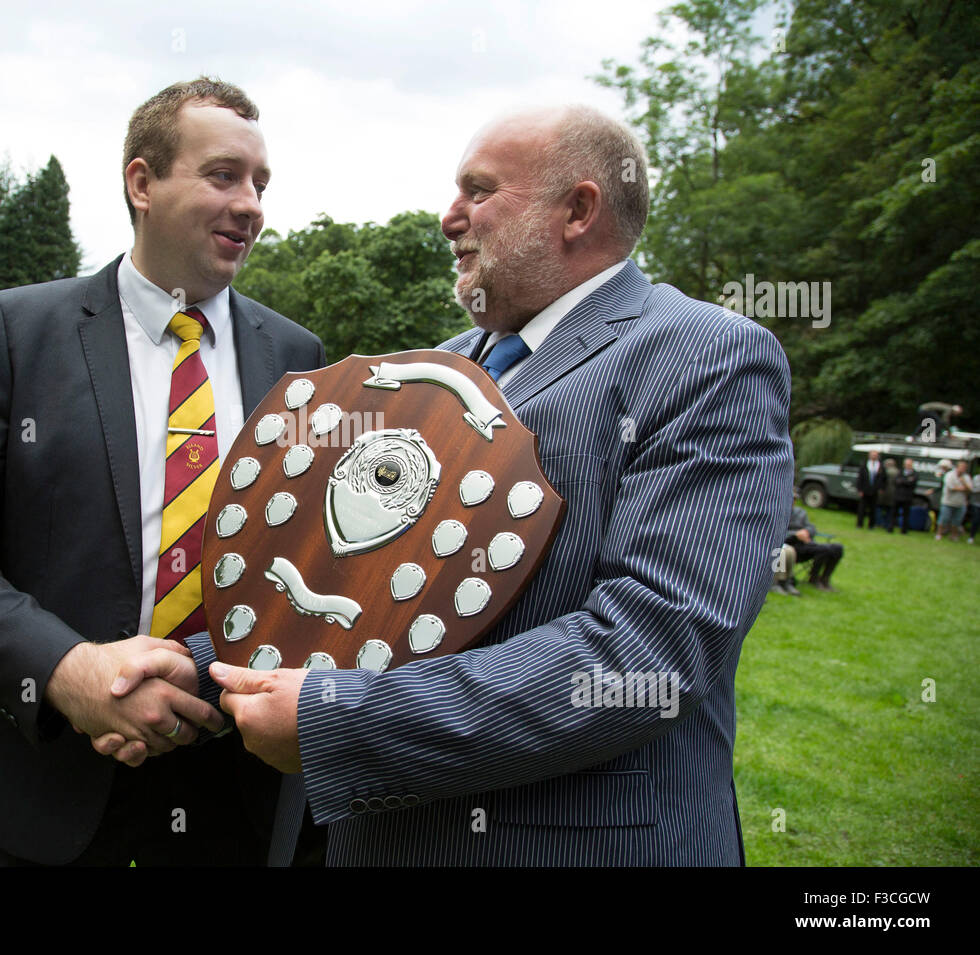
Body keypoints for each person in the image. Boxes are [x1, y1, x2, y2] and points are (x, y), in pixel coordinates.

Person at [174, 104, 793, 866]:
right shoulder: (436, 364)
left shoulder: (709, 355)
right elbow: (356, 585)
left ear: (578, 209)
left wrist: (341, 722)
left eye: (478, 190)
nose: (448, 217)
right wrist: (198, 666)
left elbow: (649, 650)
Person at [0, 77, 326, 867]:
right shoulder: (21, 331)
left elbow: (304, 560)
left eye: (261, 183)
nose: (253, 203)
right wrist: (64, 670)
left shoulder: (297, 360)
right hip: (49, 789)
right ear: (142, 182)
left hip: (236, 795)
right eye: (224, 175)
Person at [786, 504, 843, 590]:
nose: (792, 501)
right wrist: (795, 535)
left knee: (838, 547)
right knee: (823, 550)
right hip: (791, 546)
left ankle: (824, 579)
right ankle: (813, 578)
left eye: (794, 499)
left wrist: (806, 531)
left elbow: (811, 527)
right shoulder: (781, 512)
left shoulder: (800, 512)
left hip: (808, 543)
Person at [936, 460, 972, 541]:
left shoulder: (966, 477)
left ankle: (954, 536)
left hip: (960, 503)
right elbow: (951, 487)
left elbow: (970, 489)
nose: (963, 469)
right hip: (948, 502)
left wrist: (963, 482)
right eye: (962, 467)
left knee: (957, 521)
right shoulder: (950, 475)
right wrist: (964, 488)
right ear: (957, 467)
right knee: (944, 519)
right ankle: (938, 534)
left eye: (965, 467)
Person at [855, 449, 884, 528]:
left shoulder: (880, 466)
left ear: (877, 456)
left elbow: (883, 478)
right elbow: (860, 477)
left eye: (875, 455)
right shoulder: (865, 464)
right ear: (869, 456)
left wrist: (881, 488)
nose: (874, 456)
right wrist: (859, 489)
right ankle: (859, 524)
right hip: (865, 489)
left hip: (874, 490)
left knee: (873, 509)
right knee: (862, 508)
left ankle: (871, 525)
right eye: (872, 455)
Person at [890, 457, 918, 533]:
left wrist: (903, 481)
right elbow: (896, 481)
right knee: (893, 513)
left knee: (906, 515)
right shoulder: (900, 472)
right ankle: (890, 528)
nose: (908, 466)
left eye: (909, 464)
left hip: (907, 497)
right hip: (897, 496)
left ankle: (904, 530)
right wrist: (906, 480)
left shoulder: (915, 473)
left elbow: (912, 483)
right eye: (906, 464)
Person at [876, 457, 898, 529]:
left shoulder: (885, 471)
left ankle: (880, 523)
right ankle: (887, 524)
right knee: (890, 510)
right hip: (893, 493)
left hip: (884, 493)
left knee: (879, 508)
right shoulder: (897, 472)